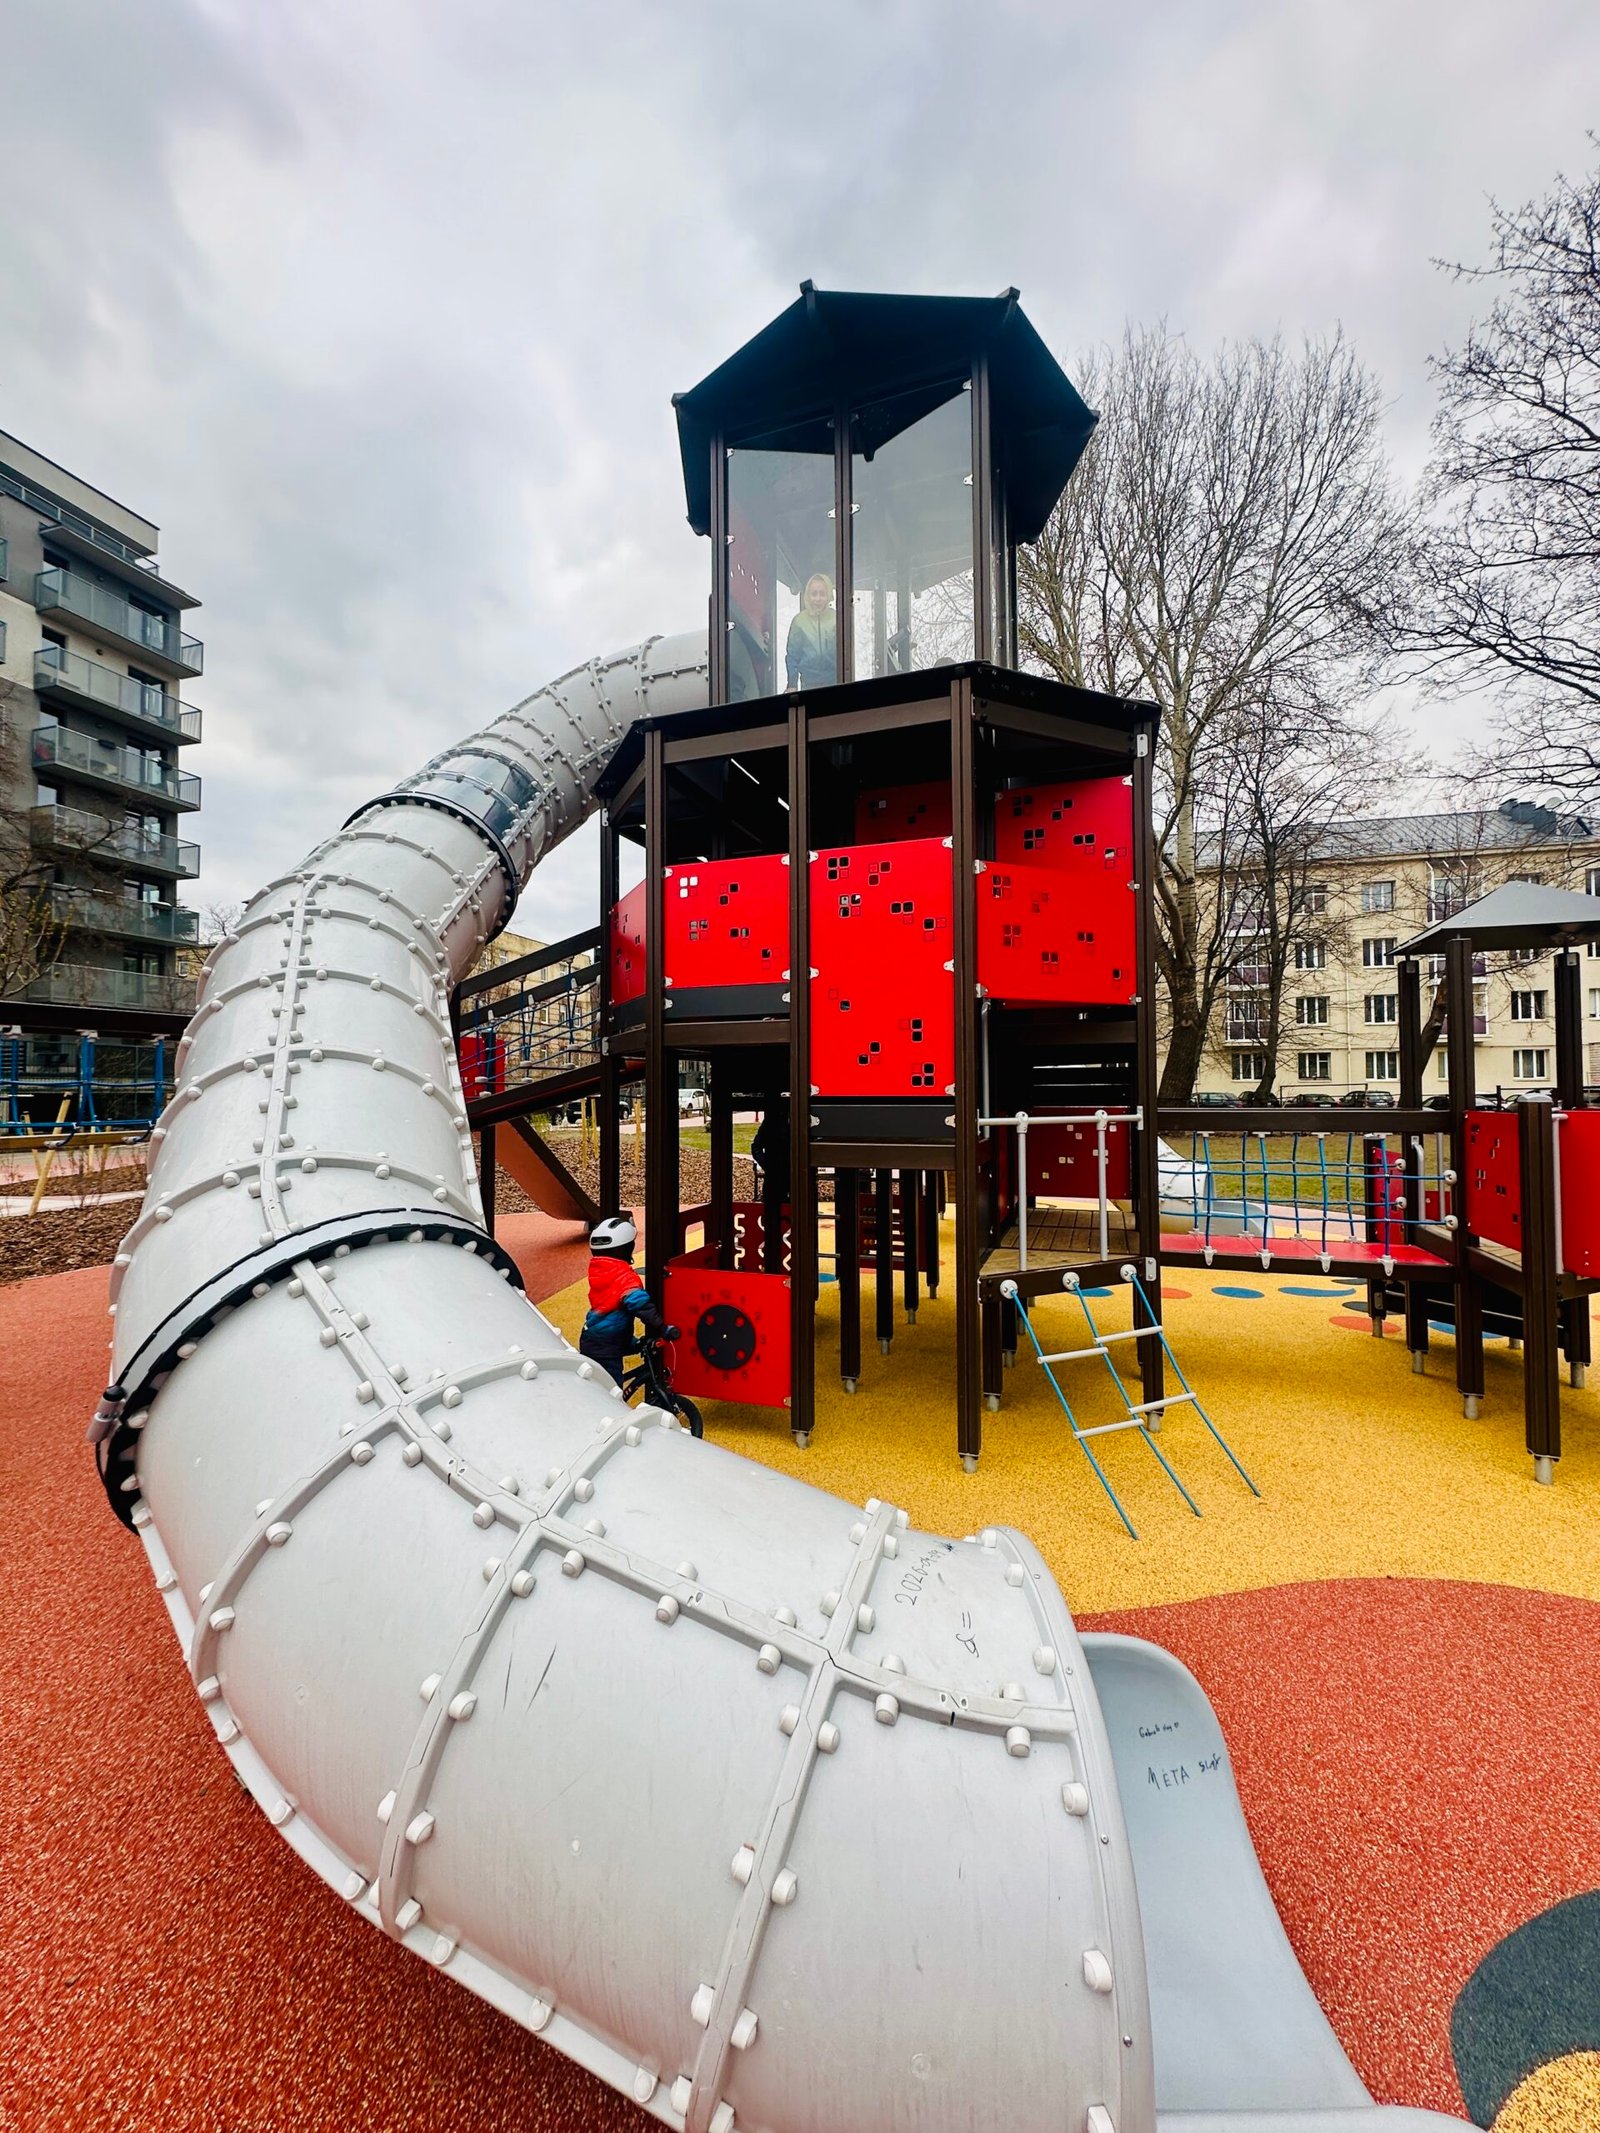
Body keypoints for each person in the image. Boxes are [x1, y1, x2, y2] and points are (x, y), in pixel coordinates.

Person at [578, 1212, 678, 1386]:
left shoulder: (599, 1271)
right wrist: (663, 1328)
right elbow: (641, 1305)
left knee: (598, 1383)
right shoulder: (624, 1277)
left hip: (594, 1338)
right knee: (612, 1390)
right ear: (627, 1249)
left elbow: (611, 1310)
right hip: (606, 1346)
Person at [784, 571, 837, 690]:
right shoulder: (799, 622)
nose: (818, 599)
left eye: (822, 594)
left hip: (835, 682)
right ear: (808, 595)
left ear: (829, 595)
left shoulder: (837, 619)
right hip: (809, 684)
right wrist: (792, 685)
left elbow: (846, 651)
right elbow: (792, 655)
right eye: (814, 594)